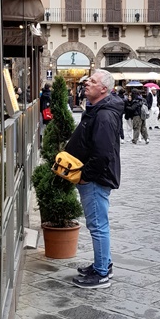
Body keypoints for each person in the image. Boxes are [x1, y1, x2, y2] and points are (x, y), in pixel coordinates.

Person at [64, 69, 124, 289]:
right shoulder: (97, 109)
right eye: (88, 79)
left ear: (103, 89)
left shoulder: (104, 115)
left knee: (98, 225)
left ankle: (101, 275)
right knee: (98, 223)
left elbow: (102, 154)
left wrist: (85, 177)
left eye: (92, 81)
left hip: (95, 179)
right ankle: (103, 263)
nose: (86, 83)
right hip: (93, 176)